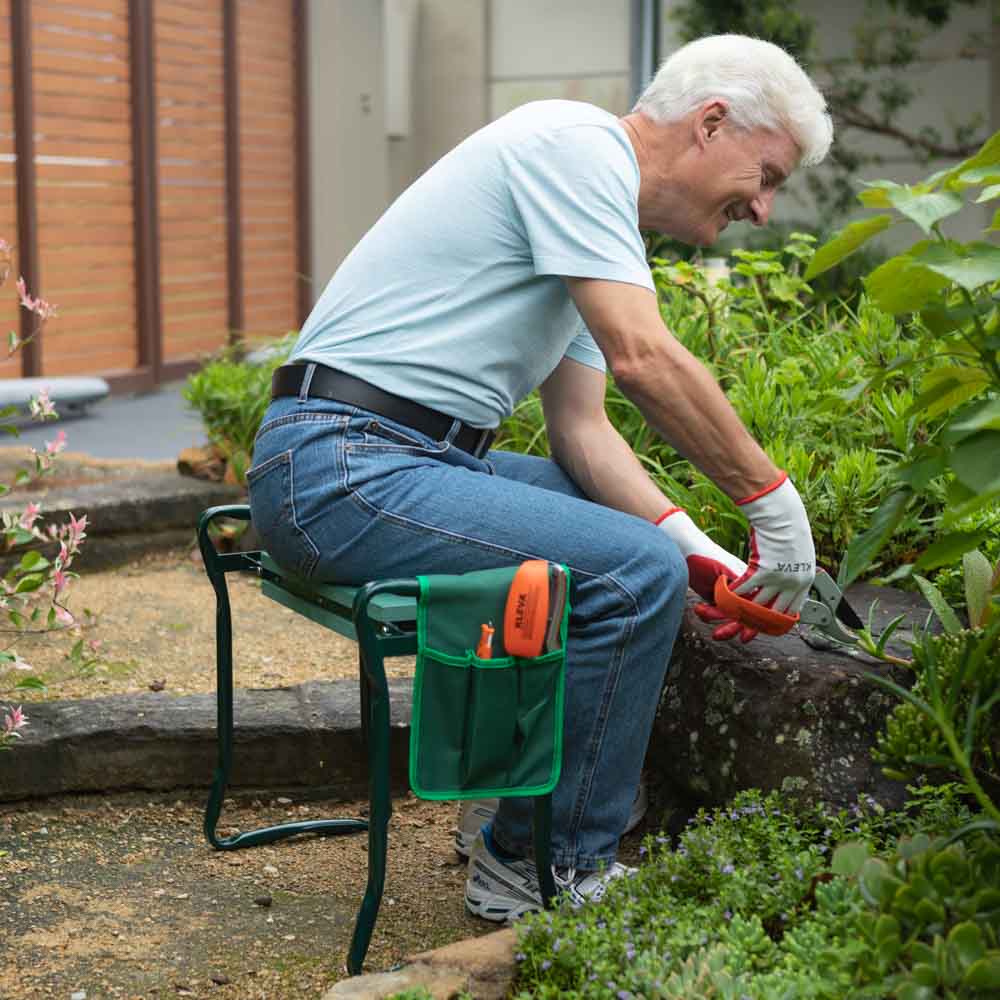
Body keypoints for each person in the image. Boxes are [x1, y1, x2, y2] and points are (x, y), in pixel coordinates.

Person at [248, 33, 833, 921]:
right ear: (712, 124)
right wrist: (774, 509)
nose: (764, 207)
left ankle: (511, 806)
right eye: (768, 173)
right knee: (629, 574)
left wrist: (703, 556)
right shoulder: (571, 145)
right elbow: (643, 358)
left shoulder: (595, 224)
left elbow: (584, 436)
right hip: (337, 467)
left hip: (402, 459)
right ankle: (542, 866)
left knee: (642, 555)